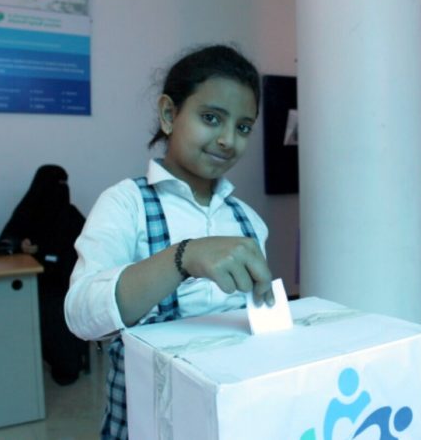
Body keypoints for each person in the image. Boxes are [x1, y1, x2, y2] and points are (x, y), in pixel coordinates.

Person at [64, 44, 275, 439]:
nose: (228, 139)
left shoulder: (249, 222)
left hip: (228, 420)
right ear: (168, 114)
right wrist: (183, 256)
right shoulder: (126, 204)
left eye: (244, 127)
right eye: (211, 118)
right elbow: (81, 315)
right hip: (146, 421)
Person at [0, 165, 87, 385]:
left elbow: (85, 251)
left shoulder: (71, 215)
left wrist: (47, 252)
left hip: (64, 284)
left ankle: (66, 364)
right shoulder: (27, 211)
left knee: (55, 315)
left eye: (64, 184)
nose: (61, 190)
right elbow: (4, 242)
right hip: (29, 282)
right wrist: (20, 244)